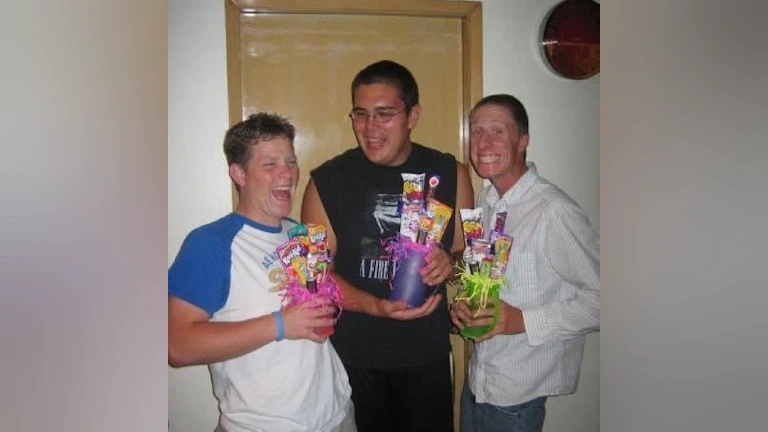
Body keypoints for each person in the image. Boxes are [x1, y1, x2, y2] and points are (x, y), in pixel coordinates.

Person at [301, 60, 475, 432]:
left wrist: (450, 261)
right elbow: (315, 277)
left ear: (413, 115)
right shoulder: (325, 181)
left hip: (425, 358)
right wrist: (377, 307)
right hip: (351, 358)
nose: (370, 128)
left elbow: (465, 257)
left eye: (384, 114)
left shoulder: (450, 173)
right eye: (360, 114)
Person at [168, 113, 355, 432]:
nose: (287, 174)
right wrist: (282, 324)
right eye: (270, 164)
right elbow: (177, 345)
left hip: (336, 415)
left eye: (291, 161)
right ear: (238, 173)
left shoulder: (298, 232)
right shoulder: (210, 244)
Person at [450, 94, 600, 432]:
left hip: (517, 400)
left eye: (497, 132)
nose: (483, 142)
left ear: (523, 141)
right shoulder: (486, 202)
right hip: (477, 384)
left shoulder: (554, 211)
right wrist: (463, 304)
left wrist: (523, 321)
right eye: (475, 132)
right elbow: (488, 279)